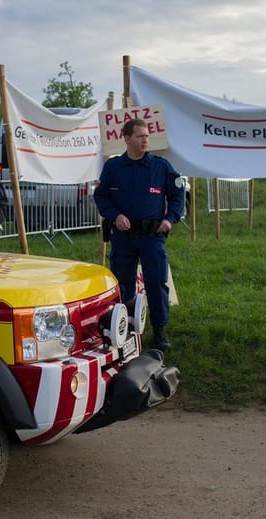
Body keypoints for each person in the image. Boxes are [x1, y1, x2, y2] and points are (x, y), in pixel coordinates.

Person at [94, 118, 185, 352]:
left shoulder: (160, 166)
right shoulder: (113, 168)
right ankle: (122, 328)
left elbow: (178, 194)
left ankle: (159, 330)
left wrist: (170, 218)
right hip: (123, 237)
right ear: (126, 138)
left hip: (152, 236)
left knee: (156, 283)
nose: (145, 140)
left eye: (146, 136)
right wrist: (115, 215)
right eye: (140, 136)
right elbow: (101, 196)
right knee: (123, 284)